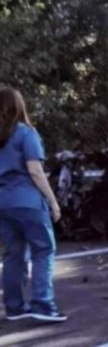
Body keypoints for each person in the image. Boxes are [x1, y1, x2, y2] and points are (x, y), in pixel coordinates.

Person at [0, 88, 66, 322]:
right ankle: (43, 304)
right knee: (44, 250)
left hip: (3, 204)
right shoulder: (27, 133)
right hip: (28, 202)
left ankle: (14, 307)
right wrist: (53, 201)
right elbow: (36, 171)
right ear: (19, 106)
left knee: (13, 255)